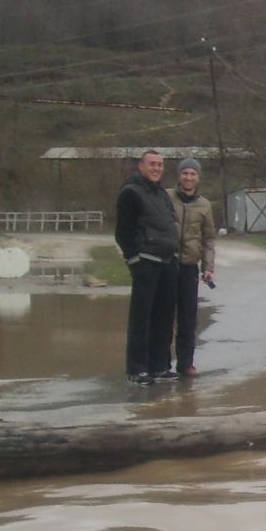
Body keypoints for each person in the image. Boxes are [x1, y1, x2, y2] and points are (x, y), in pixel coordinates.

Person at [114, 149, 179, 385]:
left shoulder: (162, 193)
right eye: (152, 164)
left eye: (160, 165)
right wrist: (134, 260)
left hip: (167, 262)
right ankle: (137, 369)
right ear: (141, 166)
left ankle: (159, 366)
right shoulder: (130, 193)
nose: (156, 169)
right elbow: (123, 232)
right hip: (146, 263)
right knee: (141, 319)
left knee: (163, 318)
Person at [167, 158, 216, 376]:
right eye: (185, 173)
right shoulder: (166, 197)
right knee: (164, 317)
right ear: (179, 175)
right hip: (167, 264)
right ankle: (161, 364)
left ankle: (186, 364)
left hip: (189, 267)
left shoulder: (204, 205)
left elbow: (208, 239)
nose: (188, 177)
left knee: (187, 319)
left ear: (198, 177)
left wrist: (208, 267)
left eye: (192, 173)